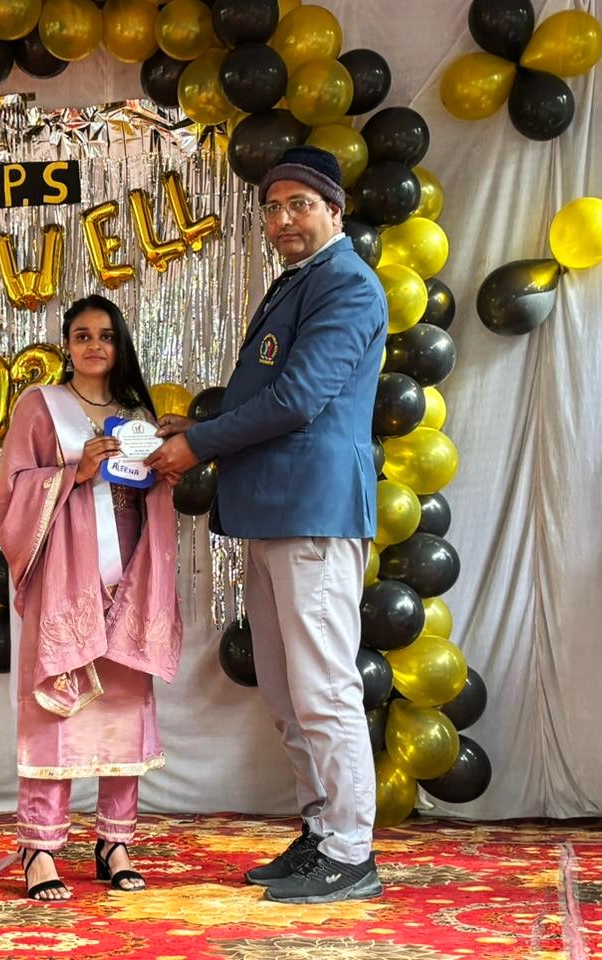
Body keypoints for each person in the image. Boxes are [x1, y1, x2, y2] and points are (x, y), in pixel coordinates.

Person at [146, 145, 387, 904]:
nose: (283, 220)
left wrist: (197, 446)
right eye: (273, 208)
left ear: (334, 210)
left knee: (323, 689)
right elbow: (272, 395)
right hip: (275, 511)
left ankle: (351, 852)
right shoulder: (301, 280)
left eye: (300, 205)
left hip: (313, 510)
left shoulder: (346, 284)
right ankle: (319, 832)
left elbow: (297, 400)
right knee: (286, 692)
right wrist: (198, 425)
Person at [0, 294, 183, 901]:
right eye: (82, 335)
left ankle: (114, 842)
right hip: (67, 573)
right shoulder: (40, 405)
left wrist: (163, 473)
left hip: (129, 573)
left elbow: (151, 493)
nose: (94, 345)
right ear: (67, 346)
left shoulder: (136, 414)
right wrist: (74, 473)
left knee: (125, 704)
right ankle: (40, 847)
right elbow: (12, 490)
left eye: (105, 335)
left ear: (119, 344)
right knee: (57, 707)